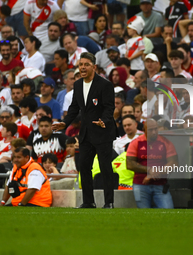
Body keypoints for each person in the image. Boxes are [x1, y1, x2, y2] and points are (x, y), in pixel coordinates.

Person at [52, 52, 116, 209]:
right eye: (80, 65)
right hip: (86, 134)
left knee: (105, 167)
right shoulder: (78, 84)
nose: (82, 67)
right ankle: (89, 201)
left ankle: (109, 202)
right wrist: (64, 123)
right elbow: (74, 108)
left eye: (86, 64)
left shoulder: (105, 85)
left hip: (103, 132)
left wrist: (104, 121)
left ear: (93, 67)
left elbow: (109, 107)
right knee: (84, 166)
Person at [126, 118, 178, 208]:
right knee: (144, 215)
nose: (154, 132)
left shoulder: (165, 142)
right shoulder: (136, 143)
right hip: (141, 184)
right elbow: (129, 164)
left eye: (156, 129)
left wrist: (156, 172)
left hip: (160, 185)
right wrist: (149, 170)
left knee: (168, 211)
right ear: (144, 130)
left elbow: (174, 163)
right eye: (151, 130)